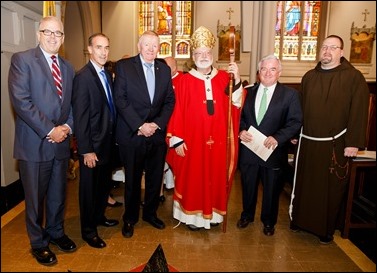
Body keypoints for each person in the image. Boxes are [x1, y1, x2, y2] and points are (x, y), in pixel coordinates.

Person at [8, 16, 76, 266]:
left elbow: (70, 104)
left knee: (58, 195)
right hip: (35, 145)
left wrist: (67, 127)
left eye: (57, 33)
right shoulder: (22, 60)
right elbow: (21, 101)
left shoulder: (68, 67)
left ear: (63, 38)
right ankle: (38, 243)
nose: (52, 36)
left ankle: (56, 232)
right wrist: (50, 130)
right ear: (38, 34)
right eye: (47, 32)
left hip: (60, 145)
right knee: (35, 200)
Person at [289, 35, 370, 244]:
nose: (327, 51)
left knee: (331, 188)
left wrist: (354, 142)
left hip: (336, 143)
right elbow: (300, 110)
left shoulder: (354, 77)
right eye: (324, 47)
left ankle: (325, 228)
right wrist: (296, 133)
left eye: (332, 48)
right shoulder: (309, 77)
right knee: (304, 184)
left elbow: (359, 111)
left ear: (341, 52)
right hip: (307, 141)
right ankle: (299, 220)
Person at [165, 26, 244, 231]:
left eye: (207, 53)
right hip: (192, 141)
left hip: (217, 142)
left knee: (214, 177)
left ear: (212, 55)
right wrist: (177, 139)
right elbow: (176, 111)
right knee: (194, 178)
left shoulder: (224, 78)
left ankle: (214, 216)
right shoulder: (183, 81)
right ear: (193, 55)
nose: (203, 56)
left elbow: (235, 106)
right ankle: (193, 218)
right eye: (199, 53)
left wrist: (236, 82)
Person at [114, 30, 175, 238]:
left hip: (156, 135)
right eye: (147, 45)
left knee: (155, 178)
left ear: (159, 48)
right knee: (131, 179)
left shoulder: (164, 69)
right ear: (139, 46)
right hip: (133, 134)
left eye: (155, 45)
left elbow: (169, 101)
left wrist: (156, 124)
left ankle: (150, 214)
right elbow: (120, 99)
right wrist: (140, 125)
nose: (151, 49)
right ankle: (130, 218)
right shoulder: (124, 66)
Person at [236, 54, 302, 236]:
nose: (267, 72)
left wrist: (279, 137)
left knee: (272, 190)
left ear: (279, 72)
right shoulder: (247, 92)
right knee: (248, 185)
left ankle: (268, 221)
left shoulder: (290, 95)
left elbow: (295, 121)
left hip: (272, 151)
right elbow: (238, 117)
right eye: (264, 69)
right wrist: (241, 131)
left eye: (272, 69)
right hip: (249, 149)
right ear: (258, 72)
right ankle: (247, 215)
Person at [72, 33, 120, 248]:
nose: (103, 52)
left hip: (107, 143)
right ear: (89, 49)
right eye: (99, 47)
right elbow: (80, 117)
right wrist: (86, 150)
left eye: (106, 47)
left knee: (102, 186)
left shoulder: (107, 74)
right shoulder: (83, 77)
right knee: (89, 191)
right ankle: (88, 231)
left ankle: (99, 217)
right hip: (92, 146)